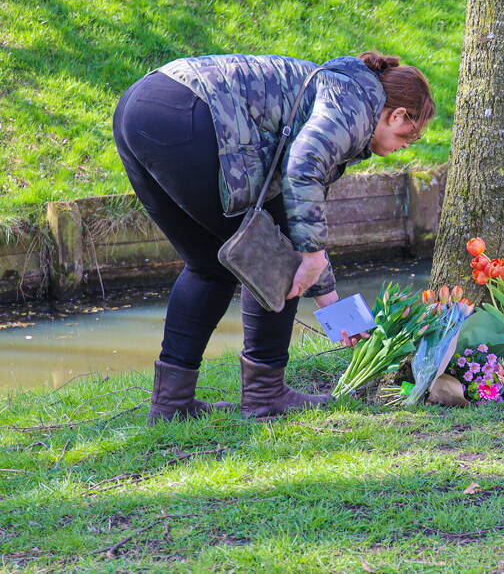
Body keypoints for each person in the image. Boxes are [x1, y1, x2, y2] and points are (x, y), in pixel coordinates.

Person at [112, 52, 435, 423]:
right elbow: (303, 168)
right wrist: (308, 255)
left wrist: (329, 298)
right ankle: (265, 395)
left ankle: (172, 404)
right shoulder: (357, 106)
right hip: (187, 114)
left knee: (208, 265)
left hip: (141, 105)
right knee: (277, 257)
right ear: (396, 115)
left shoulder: (340, 90)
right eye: (408, 136)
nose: (405, 147)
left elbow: (298, 209)